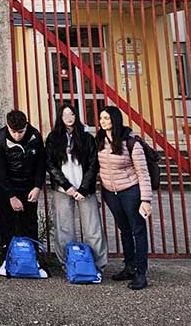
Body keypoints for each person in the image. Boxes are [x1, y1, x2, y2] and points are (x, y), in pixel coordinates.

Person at [96, 106, 153, 290]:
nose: (102, 121)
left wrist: (145, 199)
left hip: (130, 191)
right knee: (124, 230)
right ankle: (129, 266)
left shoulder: (130, 142)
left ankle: (141, 272)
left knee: (138, 229)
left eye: (106, 118)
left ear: (115, 119)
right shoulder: (100, 140)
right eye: (101, 118)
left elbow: (142, 172)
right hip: (110, 192)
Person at [45, 104, 107, 271]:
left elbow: (93, 164)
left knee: (92, 227)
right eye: (65, 115)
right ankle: (68, 263)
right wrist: (66, 186)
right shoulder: (53, 137)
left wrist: (84, 188)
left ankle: (97, 264)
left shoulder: (86, 137)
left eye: (72, 114)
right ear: (60, 117)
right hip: (63, 189)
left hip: (84, 189)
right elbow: (50, 164)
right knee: (64, 228)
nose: (69, 117)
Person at [0, 110, 46, 250]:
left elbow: (41, 164)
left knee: (30, 224)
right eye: (13, 131)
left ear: (26, 125)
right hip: (5, 188)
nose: (17, 135)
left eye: (20, 131)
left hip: (29, 186)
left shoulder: (35, 137)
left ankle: (33, 256)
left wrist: (37, 187)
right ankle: (8, 256)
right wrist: (11, 196)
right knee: (6, 224)